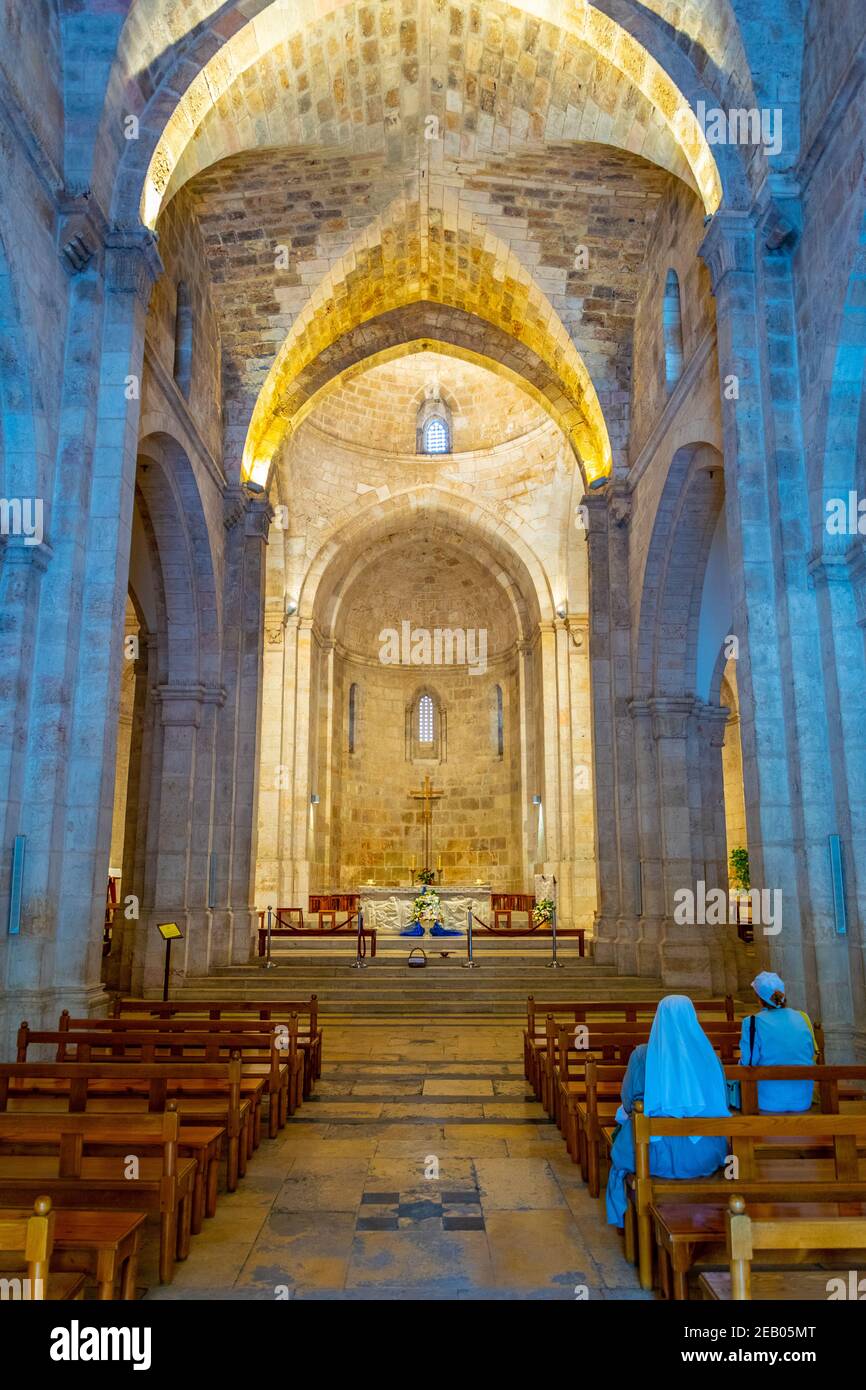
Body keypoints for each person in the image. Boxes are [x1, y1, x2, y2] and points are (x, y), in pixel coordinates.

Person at [605, 995, 729, 1227]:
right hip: (703, 1155)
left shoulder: (643, 1055)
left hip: (652, 1156)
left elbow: (629, 1100)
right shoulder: (710, 1058)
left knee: (625, 1136)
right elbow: (723, 1100)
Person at [739, 971, 816, 1113]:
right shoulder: (802, 1017)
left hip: (767, 1101)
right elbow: (810, 1053)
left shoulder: (752, 1022)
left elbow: (749, 1063)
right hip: (802, 1099)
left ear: (759, 999)